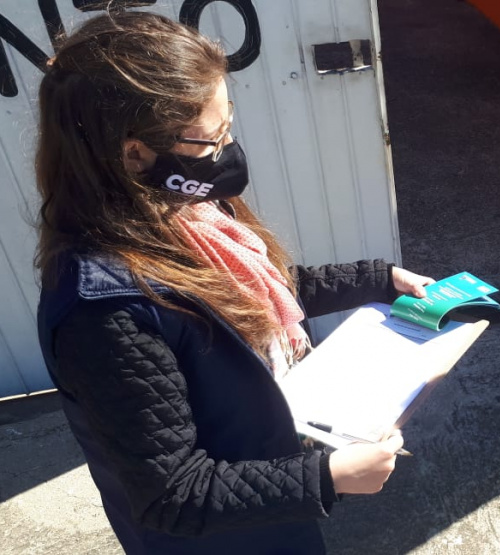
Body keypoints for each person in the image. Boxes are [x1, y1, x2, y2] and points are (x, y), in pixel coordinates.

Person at [34, 11, 434, 554]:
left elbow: (248, 293)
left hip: (270, 505)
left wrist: (377, 280)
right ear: (135, 153)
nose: (226, 151)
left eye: (229, 126)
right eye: (211, 139)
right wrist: (327, 476)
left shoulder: (182, 206)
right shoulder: (103, 313)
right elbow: (172, 493)